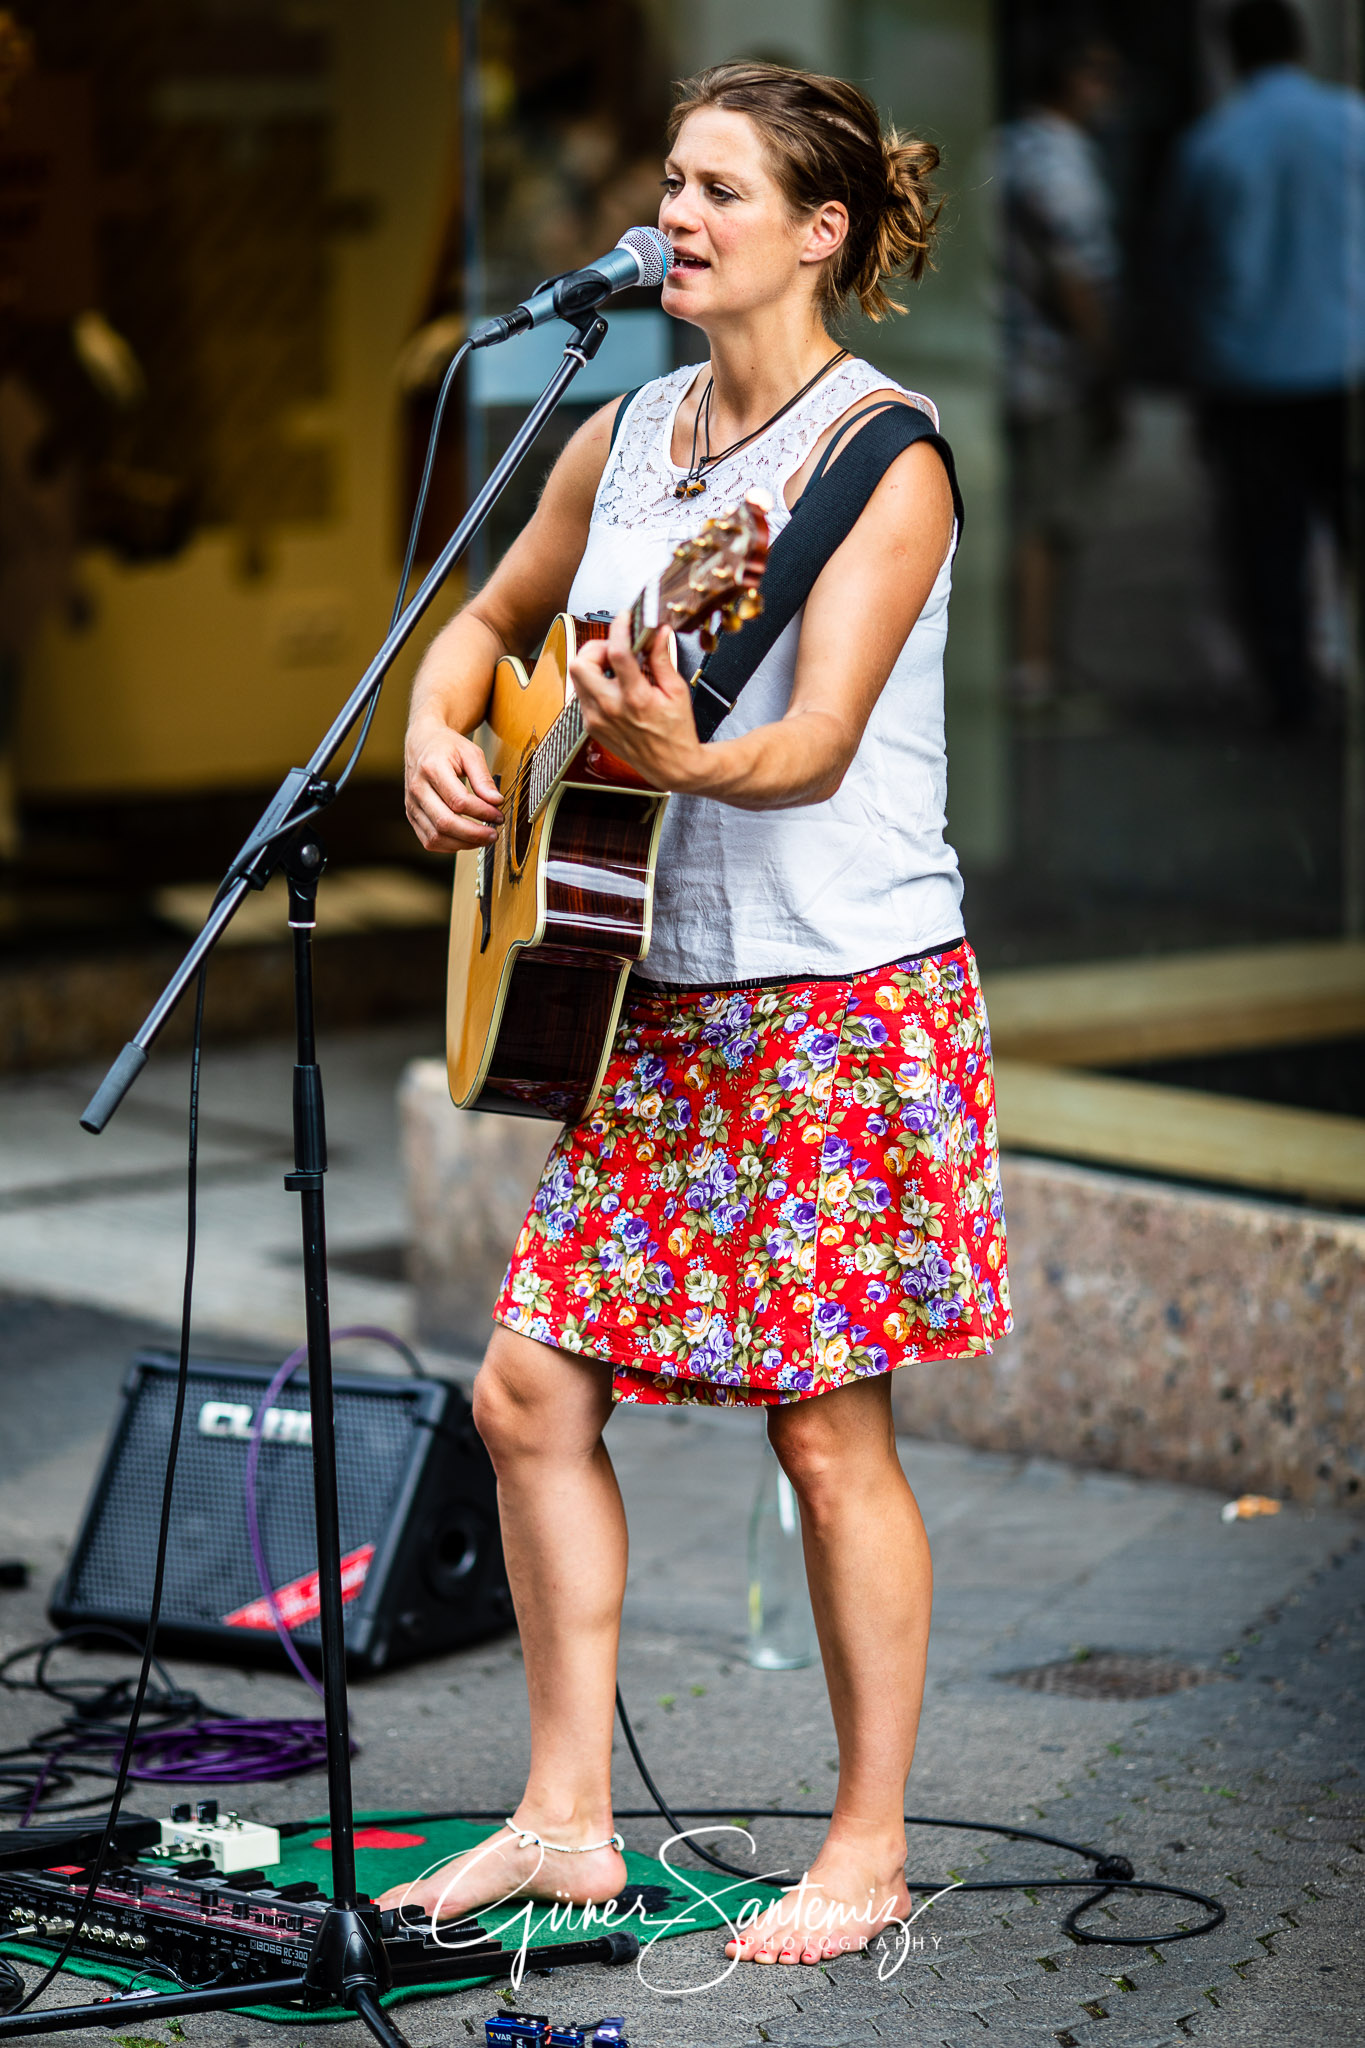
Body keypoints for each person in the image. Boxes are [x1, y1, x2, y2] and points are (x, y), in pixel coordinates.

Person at [386, 60, 1012, 1967]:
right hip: (652, 1003)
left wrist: (683, 749)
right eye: (672, 181)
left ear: (821, 231)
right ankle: (566, 1821)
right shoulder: (631, 425)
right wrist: (434, 718)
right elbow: (484, 626)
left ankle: (870, 1843)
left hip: (838, 1001)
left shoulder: (880, 457)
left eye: (721, 189)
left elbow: (813, 744)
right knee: (523, 1387)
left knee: (822, 1434)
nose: (679, 215)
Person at [1171, 0, 1365, 731]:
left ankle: (1291, 696)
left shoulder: (1213, 142)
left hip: (1249, 373)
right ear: (1301, 44)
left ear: (1233, 55)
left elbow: (1180, 265)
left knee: (1268, 544)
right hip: (1348, 363)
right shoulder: (1353, 124)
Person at [994, 35, 1123, 707]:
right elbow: (1076, 278)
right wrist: (1104, 361)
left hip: (1010, 359)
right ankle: (1034, 669)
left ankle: (1032, 662)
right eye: (1099, 76)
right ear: (1071, 81)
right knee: (1045, 519)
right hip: (1049, 367)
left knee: (1029, 514)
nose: (1110, 93)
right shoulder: (1060, 162)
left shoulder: (1007, 145)